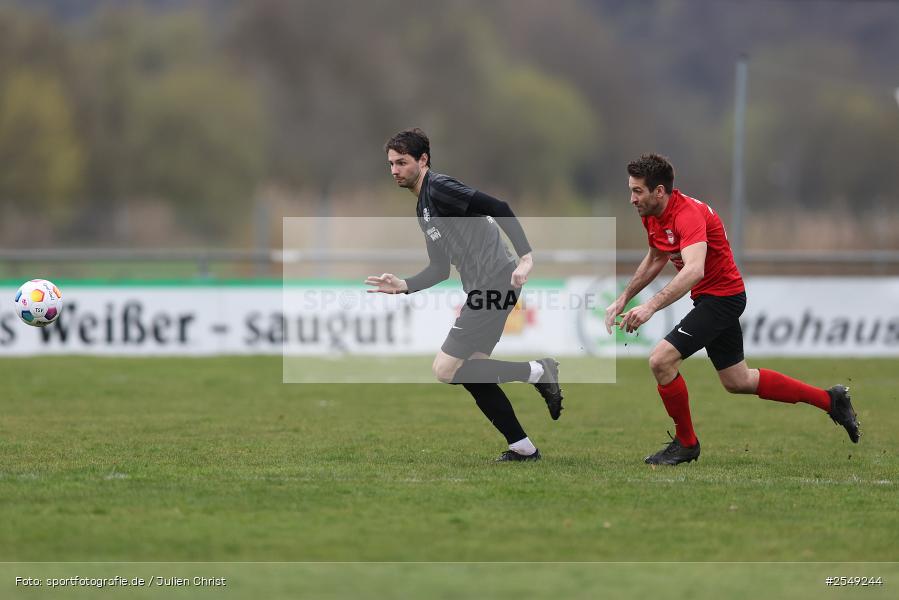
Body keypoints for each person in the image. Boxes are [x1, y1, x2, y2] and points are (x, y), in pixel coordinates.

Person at [605, 153, 859, 465]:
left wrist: (651, 306)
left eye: (637, 191)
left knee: (661, 360)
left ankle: (687, 444)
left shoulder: (687, 215)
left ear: (659, 191)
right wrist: (624, 297)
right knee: (738, 381)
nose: (632, 199)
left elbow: (695, 270)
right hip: (712, 298)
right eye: (631, 190)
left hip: (721, 297)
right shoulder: (651, 213)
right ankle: (831, 400)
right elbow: (657, 256)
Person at [366, 128, 563, 462]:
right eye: (390, 164)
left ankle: (538, 371)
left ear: (423, 160)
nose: (394, 170)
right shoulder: (423, 208)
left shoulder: (440, 188)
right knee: (472, 372)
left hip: (495, 282)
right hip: (483, 288)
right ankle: (523, 448)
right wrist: (404, 285)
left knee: (444, 370)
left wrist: (526, 256)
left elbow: (499, 206)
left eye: (401, 162)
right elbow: (440, 269)